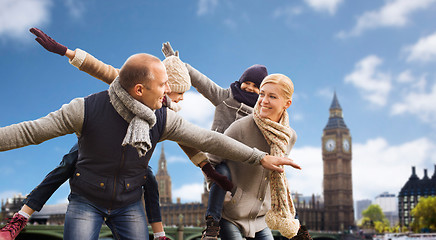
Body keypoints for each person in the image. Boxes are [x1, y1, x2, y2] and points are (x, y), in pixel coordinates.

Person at [0, 50, 301, 240]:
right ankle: (22, 215)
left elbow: (209, 139)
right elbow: (30, 131)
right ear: (140, 89)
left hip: (129, 201)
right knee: (69, 162)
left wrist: (259, 158)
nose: (169, 91)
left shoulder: (163, 117)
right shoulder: (87, 108)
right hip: (87, 197)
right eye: (163, 85)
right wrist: (69, 53)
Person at [161, 42, 268, 239]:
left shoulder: (260, 115)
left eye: (255, 86)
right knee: (222, 174)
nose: (249, 88)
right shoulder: (225, 98)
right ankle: (212, 224)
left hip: (245, 166)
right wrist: (176, 63)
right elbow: (201, 82)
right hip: (219, 161)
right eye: (247, 83)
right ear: (240, 81)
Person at [206, 73, 302, 239]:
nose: (264, 100)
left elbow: (276, 178)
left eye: (272, 96)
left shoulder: (289, 136)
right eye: (262, 94)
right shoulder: (240, 128)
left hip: (260, 219)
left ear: (287, 103)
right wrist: (228, 196)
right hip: (232, 216)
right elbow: (211, 160)